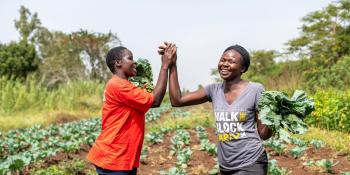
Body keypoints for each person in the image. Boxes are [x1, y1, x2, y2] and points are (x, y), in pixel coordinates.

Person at [159, 43, 272, 175]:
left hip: (251, 163)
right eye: (223, 60)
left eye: (231, 61)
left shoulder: (255, 89)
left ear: (242, 68)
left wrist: (273, 117)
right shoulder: (213, 90)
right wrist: (172, 64)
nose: (224, 64)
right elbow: (177, 101)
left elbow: (264, 134)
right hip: (226, 166)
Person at [87, 44, 177, 175]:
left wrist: (169, 64)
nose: (134, 62)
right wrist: (164, 66)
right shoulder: (119, 85)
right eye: (130, 58)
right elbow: (155, 100)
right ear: (118, 63)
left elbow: (152, 101)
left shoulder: (125, 85)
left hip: (122, 157)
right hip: (114, 158)